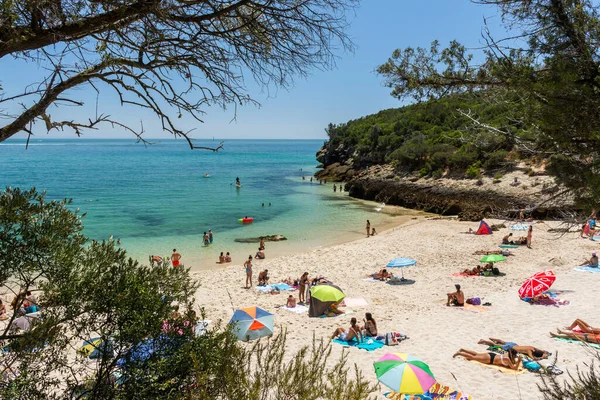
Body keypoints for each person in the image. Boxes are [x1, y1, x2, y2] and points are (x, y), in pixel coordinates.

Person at [477, 338, 551, 360]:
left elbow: (543, 351)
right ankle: (483, 341)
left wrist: (544, 354)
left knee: (503, 342)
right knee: (496, 345)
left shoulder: (533, 348)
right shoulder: (529, 351)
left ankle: (493, 338)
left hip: (514, 344)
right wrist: (541, 357)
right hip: (511, 348)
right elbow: (533, 358)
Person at [453, 348, 522, 370]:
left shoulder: (508, 355)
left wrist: (516, 360)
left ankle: (463, 350)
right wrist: (518, 361)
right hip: (489, 359)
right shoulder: (507, 359)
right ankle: (460, 353)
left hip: (491, 355)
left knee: (476, 354)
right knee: (473, 357)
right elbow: (514, 368)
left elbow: (512, 362)